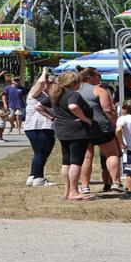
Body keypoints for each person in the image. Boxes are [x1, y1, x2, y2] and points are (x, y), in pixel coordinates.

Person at [77, 68, 122, 195]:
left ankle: (85, 186)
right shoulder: (99, 90)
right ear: (89, 77)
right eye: (98, 75)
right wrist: (116, 122)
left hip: (83, 126)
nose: (100, 77)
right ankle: (116, 182)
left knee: (87, 157)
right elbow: (108, 110)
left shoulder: (75, 90)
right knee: (112, 154)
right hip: (101, 126)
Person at [51, 71, 95, 201]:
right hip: (76, 130)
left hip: (62, 130)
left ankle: (66, 191)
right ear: (74, 83)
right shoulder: (73, 94)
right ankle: (74, 192)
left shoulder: (55, 94)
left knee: (66, 161)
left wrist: (54, 117)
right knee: (76, 161)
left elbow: (39, 106)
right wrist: (85, 119)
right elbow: (73, 106)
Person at [23, 72, 57, 187]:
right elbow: (41, 82)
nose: (53, 84)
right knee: (41, 153)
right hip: (37, 127)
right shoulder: (35, 92)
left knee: (42, 153)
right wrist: (44, 71)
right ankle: (39, 179)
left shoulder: (50, 95)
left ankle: (33, 176)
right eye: (50, 82)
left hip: (47, 127)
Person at [0, 75, 26, 142]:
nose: (17, 82)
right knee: (11, 116)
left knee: (18, 116)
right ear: (12, 81)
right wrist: (5, 104)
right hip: (11, 104)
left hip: (20, 105)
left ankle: (19, 129)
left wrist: (26, 103)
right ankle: (12, 125)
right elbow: (4, 96)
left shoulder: (22, 88)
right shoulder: (7, 88)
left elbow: (24, 96)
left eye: (18, 81)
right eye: (15, 81)